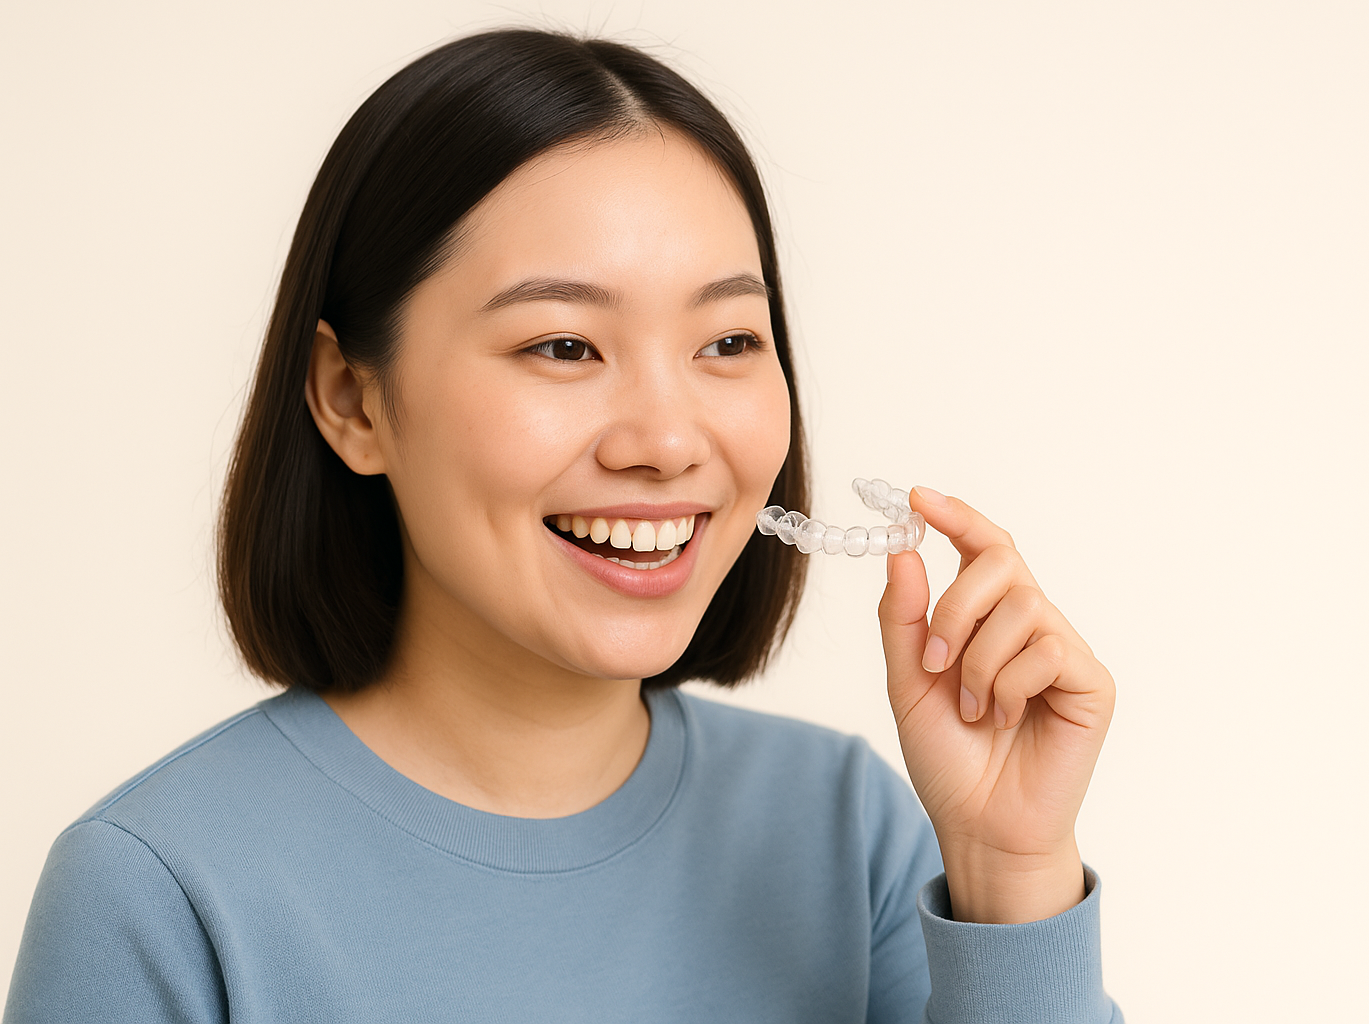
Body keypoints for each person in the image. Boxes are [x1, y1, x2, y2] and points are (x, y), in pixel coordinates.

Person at [4, 29, 1122, 1023]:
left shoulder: (848, 830)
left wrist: (1010, 871)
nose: (667, 440)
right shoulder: (157, 892)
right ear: (352, 399)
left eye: (728, 342)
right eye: (564, 346)